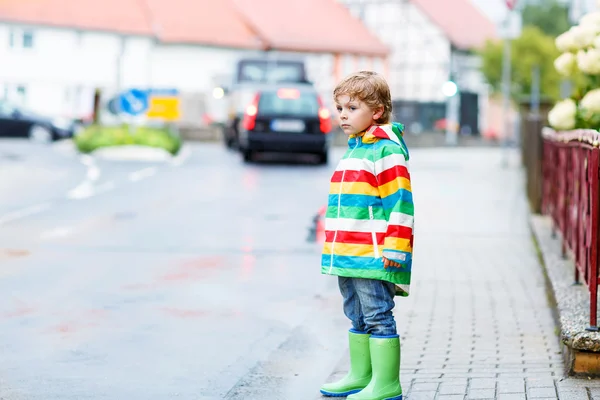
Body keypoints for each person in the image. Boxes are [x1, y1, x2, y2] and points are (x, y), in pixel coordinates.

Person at [320, 71, 414, 400]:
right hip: (347, 251)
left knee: (377, 314)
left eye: (352, 107)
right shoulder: (356, 149)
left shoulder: (385, 151)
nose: (343, 115)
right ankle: (361, 375)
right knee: (355, 312)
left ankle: (387, 385)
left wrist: (396, 248)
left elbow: (400, 203)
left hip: (373, 254)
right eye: (340, 108)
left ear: (376, 112)